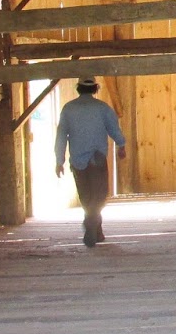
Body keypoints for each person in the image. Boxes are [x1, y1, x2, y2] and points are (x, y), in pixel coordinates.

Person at [54, 76, 127, 246]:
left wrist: (59, 160)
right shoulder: (102, 108)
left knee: (86, 197)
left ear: (78, 88)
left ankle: (95, 228)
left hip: (78, 161)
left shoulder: (68, 109)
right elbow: (114, 129)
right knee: (99, 195)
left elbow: (61, 136)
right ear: (95, 88)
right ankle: (92, 225)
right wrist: (121, 145)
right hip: (97, 158)